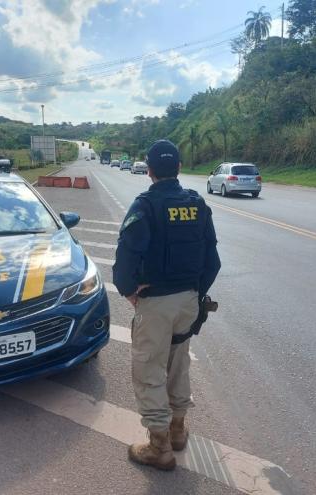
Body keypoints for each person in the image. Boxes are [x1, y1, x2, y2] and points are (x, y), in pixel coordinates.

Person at [113, 139, 221, 471]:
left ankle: (159, 447)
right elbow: (212, 259)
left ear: (148, 171)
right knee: (178, 364)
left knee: (149, 369)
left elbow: (126, 255)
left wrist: (128, 290)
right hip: (189, 302)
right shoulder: (197, 205)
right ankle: (177, 430)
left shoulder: (145, 206)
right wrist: (195, 292)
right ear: (178, 168)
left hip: (156, 305)